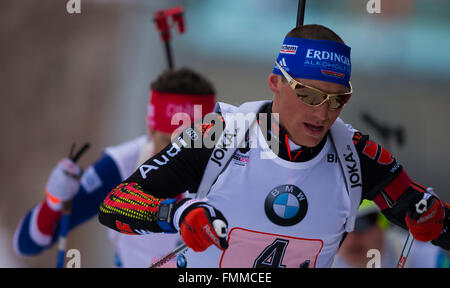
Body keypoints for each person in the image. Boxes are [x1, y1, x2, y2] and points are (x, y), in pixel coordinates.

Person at [98, 24, 450, 268]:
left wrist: (435, 220)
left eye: (337, 99)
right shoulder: (219, 134)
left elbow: (421, 209)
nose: (322, 111)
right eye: (308, 95)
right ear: (275, 83)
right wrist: (176, 214)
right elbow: (115, 204)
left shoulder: (354, 154)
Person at [13, 68, 216, 267]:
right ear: (150, 130)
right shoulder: (122, 164)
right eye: (167, 141)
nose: (177, 154)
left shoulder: (227, 165)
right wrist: (54, 201)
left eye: (188, 143)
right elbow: (27, 245)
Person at [333, 200, 449, 268]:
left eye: (361, 223)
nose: (351, 236)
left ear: (383, 223)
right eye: (341, 226)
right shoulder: (321, 262)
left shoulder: (429, 260)